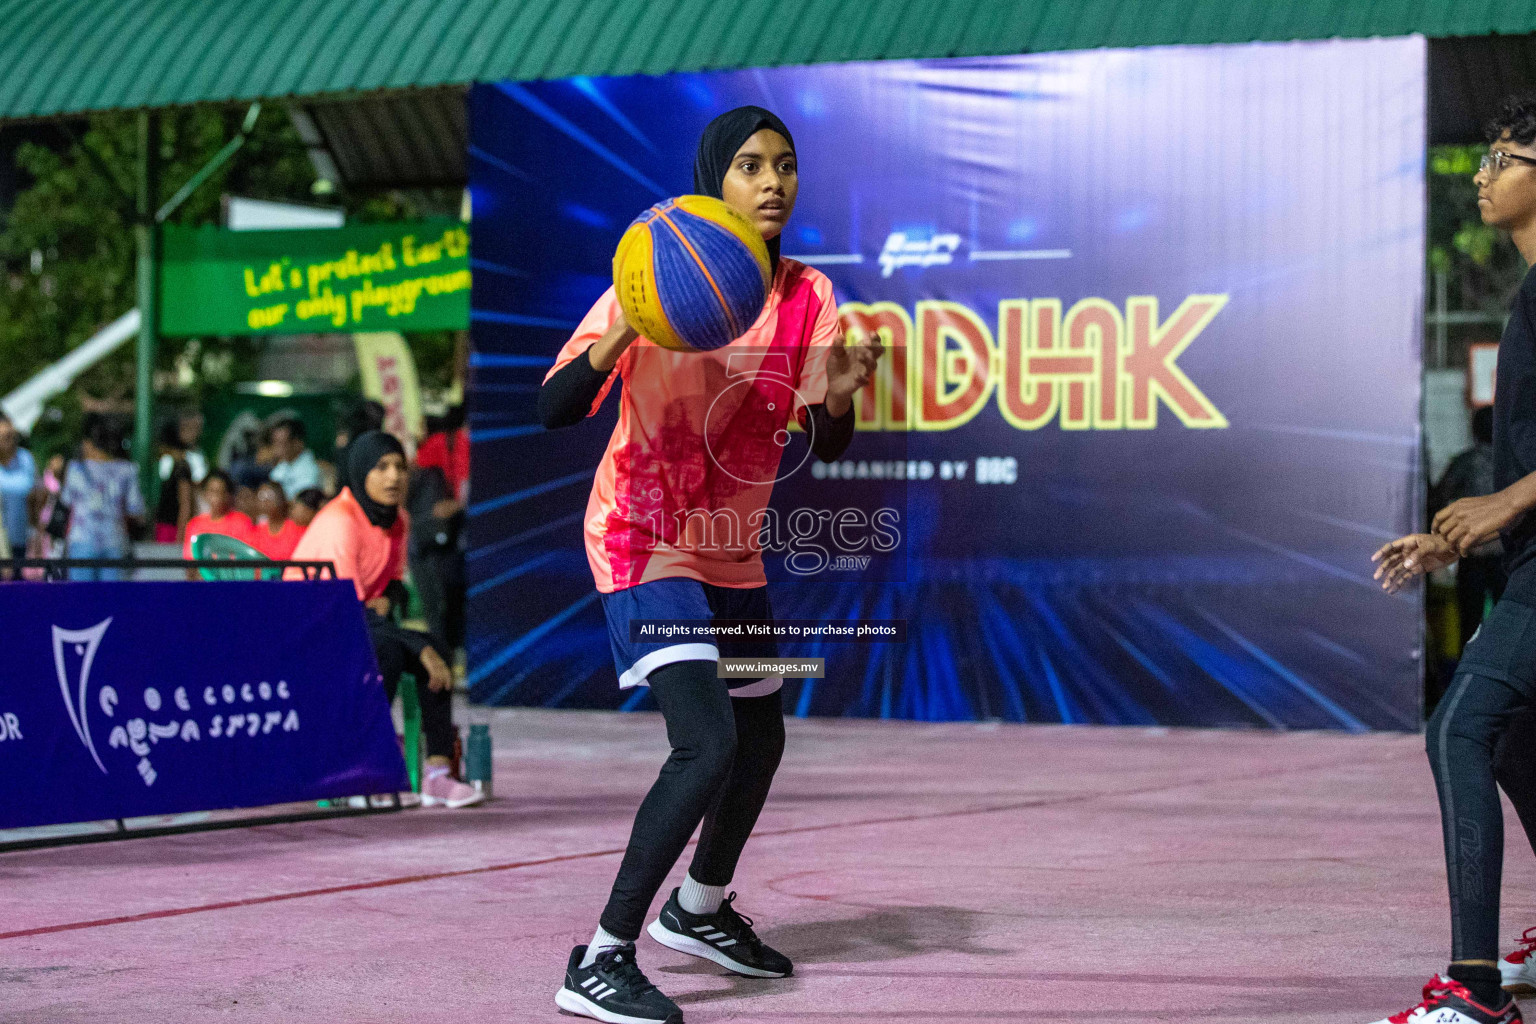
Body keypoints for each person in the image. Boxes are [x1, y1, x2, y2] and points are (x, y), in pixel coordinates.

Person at [539, 106, 880, 1024]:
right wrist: (621, 332)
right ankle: (600, 956)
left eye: (785, 165)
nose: (772, 182)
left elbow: (829, 440)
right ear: (712, 181)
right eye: (749, 166)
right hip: (643, 537)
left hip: (730, 548)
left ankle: (699, 911)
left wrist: (840, 397)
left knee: (762, 737)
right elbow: (555, 408)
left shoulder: (809, 295)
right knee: (708, 743)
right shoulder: (655, 270)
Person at [1371, 96, 1536, 1024]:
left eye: (1503, 158)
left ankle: (1473, 993)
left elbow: (1522, 481)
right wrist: (1458, 532)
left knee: (1459, 730)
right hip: (1527, 557)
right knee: (1511, 739)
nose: (1482, 174)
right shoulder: (1529, 294)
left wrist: (1509, 501)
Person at [288, 431, 482, 810]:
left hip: (353, 625)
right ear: (361, 472)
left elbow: (393, 586)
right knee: (390, 651)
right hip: (308, 634)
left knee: (433, 647)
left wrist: (390, 599)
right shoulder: (341, 521)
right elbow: (344, 612)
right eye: (382, 467)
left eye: (400, 467)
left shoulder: (398, 520)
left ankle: (437, 774)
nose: (394, 477)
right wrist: (416, 643)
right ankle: (361, 767)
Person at [1433, 406, 1506, 650]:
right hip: (1505, 554)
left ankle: (1467, 675)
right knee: (1507, 621)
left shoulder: (1466, 461)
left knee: (1470, 622)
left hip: (1471, 553)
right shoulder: (1509, 464)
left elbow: (1439, 496)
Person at [61, 415, 144, 582]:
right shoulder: (127, 470)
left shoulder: (75, 469)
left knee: (81, 600)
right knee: (111, 602)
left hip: (81, 541)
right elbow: (136, 509)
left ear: (89, 442)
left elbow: (66, 501)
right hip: (114, 542)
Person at [407, 460, 466, 659]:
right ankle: (445, 653)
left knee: (443, 603)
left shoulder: (431, 471)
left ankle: (447, 652)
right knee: (435, 605)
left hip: (434, 542)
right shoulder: (424, 471)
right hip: (424, 541)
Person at [182, 470, 255, 565]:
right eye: (212, 491)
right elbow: (189, 558)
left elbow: (246, 556)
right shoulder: (194, 524)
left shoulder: (242, 522)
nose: (215, 497)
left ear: (228, 495)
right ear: (205, 494)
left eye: (220, 492)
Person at [0, 411, 36, 577]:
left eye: (10, 435)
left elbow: (29, 488)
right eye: (4, 437)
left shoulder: (25, 458)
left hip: (21, 540)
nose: (8, 440)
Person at [154, 421, 196, 546]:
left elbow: (185, 503)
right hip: (164, 527)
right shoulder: (171, 465)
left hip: (172, 529)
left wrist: (181, 534)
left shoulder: (181, 467)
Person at [250, 479, 305, 561]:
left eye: (270, 496)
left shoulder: (298, 530)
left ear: (282, 500)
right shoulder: (255, 533)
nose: (265, 501)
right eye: (261, 497)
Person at [268, 417, 321, 499]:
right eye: (275, 443)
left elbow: (303, 505)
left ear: (297, 443)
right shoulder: (282, 465)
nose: (277, 450)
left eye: (281, 444)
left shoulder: (309, 470)